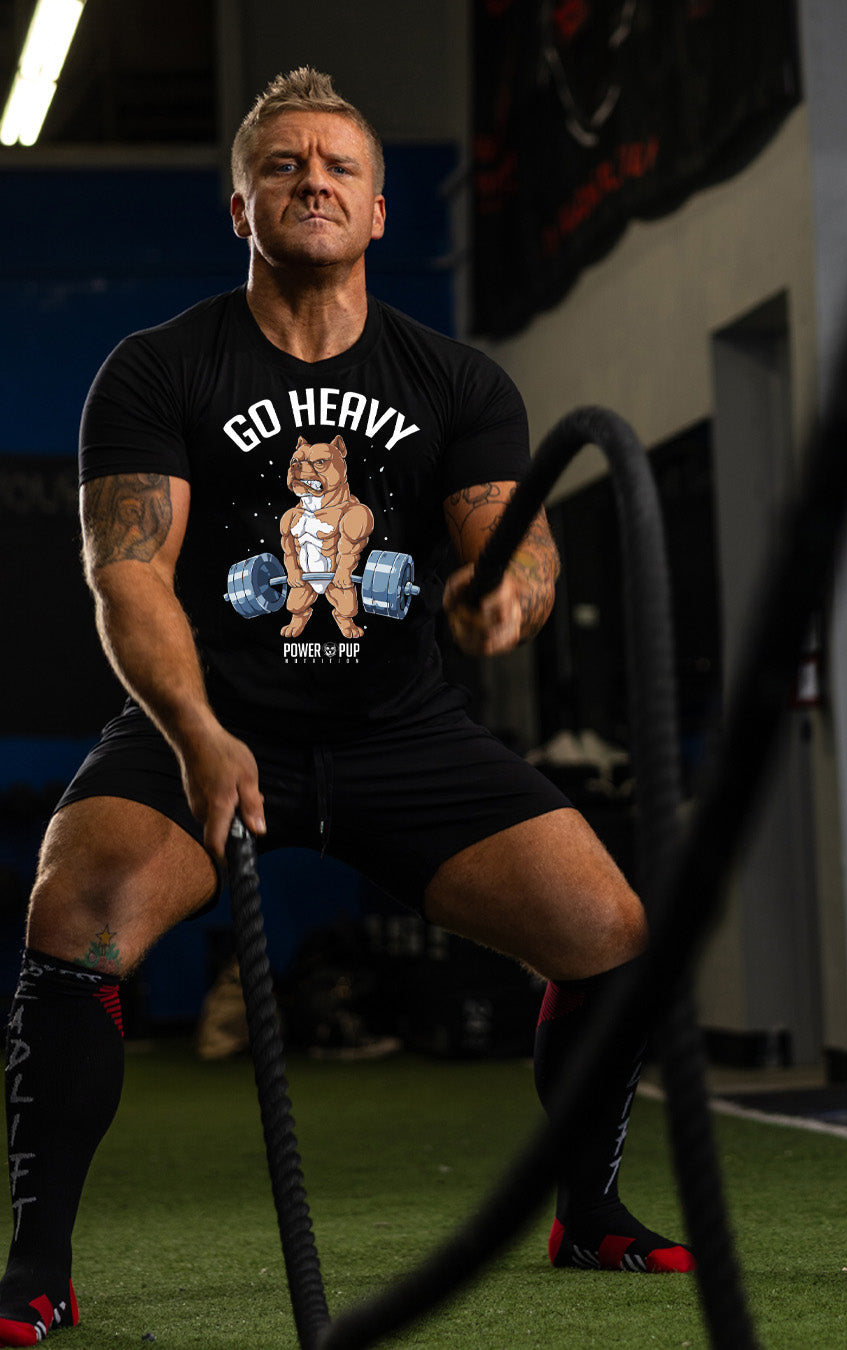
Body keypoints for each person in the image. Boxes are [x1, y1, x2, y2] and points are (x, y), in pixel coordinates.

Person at [0, 67, 693, 1345]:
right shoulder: (158, 370)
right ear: (241, 205)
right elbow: (128, 577)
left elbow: (512, 549)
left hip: (399, 733)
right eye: (282, 166)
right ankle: (37, 1265)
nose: (311, 179)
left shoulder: (457, 382)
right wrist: (200, 734)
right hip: (202, 721)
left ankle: (588, 1211)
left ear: (380, 211)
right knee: (77, 907)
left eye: (338, 167)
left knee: (608, 929)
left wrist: (505, 603)